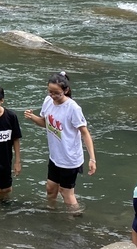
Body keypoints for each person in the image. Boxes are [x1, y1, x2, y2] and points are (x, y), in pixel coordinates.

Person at [23, 71, 96, 213]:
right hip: (55, 156)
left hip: (70, 158)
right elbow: (45, 123)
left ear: (66, 90)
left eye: (56, 93)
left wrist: (92, 158)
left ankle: (74, 219)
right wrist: (32, 117)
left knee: (66, 192)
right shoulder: (48, 101)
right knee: (50, 188)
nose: (53, 96)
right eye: (50, 92)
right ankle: (51, 213)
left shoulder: (73, 108)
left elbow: (85, 133)